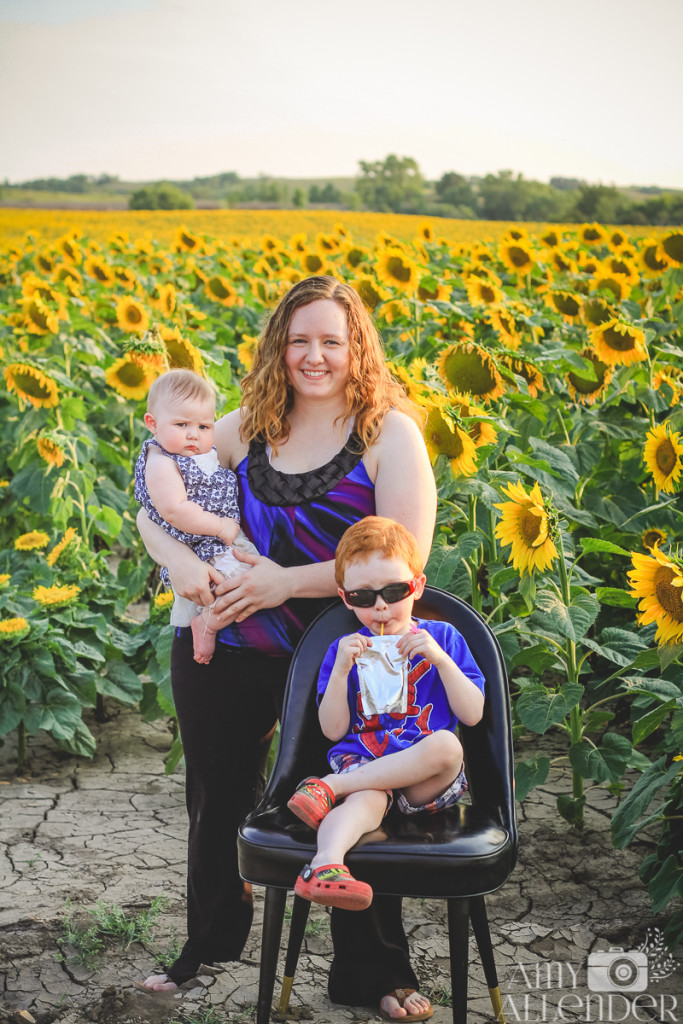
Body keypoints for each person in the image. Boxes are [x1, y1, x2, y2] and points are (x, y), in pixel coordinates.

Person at [135, 275, 438, 1022]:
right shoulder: (247, 425)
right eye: (298, 340)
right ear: (279, 347)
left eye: (330, 341)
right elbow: (153, 487)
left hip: (346, 655)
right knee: (216, 795)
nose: (313, 356)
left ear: (355, 346)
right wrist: (175, 562)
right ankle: (206, 945)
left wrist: (285, 583)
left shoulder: (386, 432)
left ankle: (370, 970)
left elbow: (406, 556)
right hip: (230, 642)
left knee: (355, 797)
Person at [288, 516, 485, 920]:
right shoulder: (344, 650)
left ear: (417, 586)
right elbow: (333, 730)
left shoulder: (443, 639)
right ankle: (325, 865)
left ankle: (329, 786)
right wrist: (341, 669)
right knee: (368, 801)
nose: (380, 605)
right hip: (366, 768)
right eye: (364, 596)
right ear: (346, 598)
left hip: (422, 780)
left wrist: (441, 661)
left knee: (448, 745)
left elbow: (473, 713)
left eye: (395, 591)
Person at [134, 369, 258, 664]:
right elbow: (174, 510)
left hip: (215, 539)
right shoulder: (161, 462)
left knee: (248, 577)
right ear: (152, 424)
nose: (194, 434)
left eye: (204, 426)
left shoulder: (193, 454)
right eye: (182, 424)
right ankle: (208, 625)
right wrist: (219, 526)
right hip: (203, 545)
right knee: (239, 582)